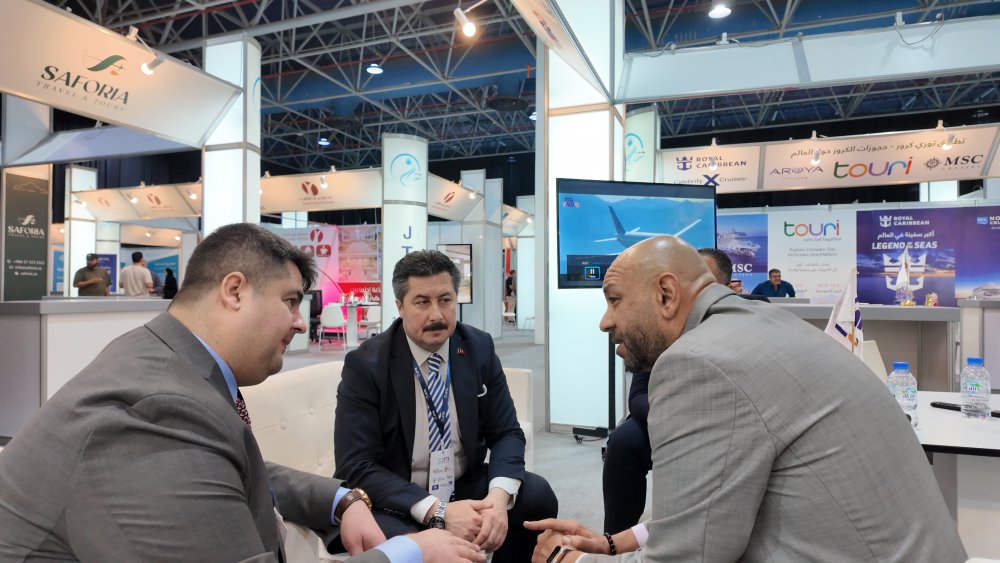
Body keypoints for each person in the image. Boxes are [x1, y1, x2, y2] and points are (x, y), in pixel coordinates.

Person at [0, 223, 482, 563]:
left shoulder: (167, 360)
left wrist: (340, 499)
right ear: (234, 291)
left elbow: (229, 468)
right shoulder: (156, 409)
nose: (300, 322)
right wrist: (408, 552)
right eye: (290, 301)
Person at [528, 236, 965, 562]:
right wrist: (612, 543)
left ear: (666, 295)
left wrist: (570, 561)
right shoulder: (759, 324)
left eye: (614, 300)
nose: (605, 322)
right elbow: (706, 512)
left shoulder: (697, 362)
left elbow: (686, 558)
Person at [335, 250, 557, 562]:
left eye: (445, 300)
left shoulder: (477, 347)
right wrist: (438, 511)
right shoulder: (367, 365)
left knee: (537, 495)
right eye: (422, 302)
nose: (436, 315)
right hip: (398, 497)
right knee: (400, 542)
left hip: (462, 483)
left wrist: (497, 500)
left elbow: (507, 432)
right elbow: (356, 465)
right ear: (400, 306)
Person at [602, 247, 763, 532]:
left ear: (725, 287)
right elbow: (637, 397)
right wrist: (680, 414)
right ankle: (614, 535)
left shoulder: (750, 318)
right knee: (624, 440)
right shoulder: (656, 330)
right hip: (665, 417)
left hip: (733, 425)